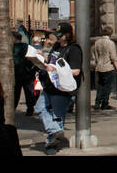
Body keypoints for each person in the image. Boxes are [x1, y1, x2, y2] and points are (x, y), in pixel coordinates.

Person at [34, 22, 82, 154]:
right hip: (50, 85)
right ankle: (54, 131)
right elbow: (51, 62)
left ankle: (52, 145)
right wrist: (41, 57)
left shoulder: (74, 49)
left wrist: (55, 69)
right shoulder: (56, 46)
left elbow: (76, 71)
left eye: (60, 35)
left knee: (57, 116)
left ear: (67, 35)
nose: (57, 38)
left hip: (63, 88)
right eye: (57, 35)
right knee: (40, 107)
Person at [91, 24, 117, 111]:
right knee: (107, 86)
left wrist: (97, 64)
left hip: (99, 66)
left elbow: (95, 55)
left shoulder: (97, 42)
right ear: (110, 33)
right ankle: (105, 103)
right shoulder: (110, 43)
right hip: (108, 67)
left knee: (100, 86)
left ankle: (97, 103)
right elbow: (113, 57)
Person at [12, 29, 36, 116]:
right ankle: (30, 109)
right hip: (27, 73)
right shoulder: (27, 46)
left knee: (15, 93)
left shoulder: (12, 47)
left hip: (17, 73)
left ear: (14, 38)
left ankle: (12, 109)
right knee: (28, 92)